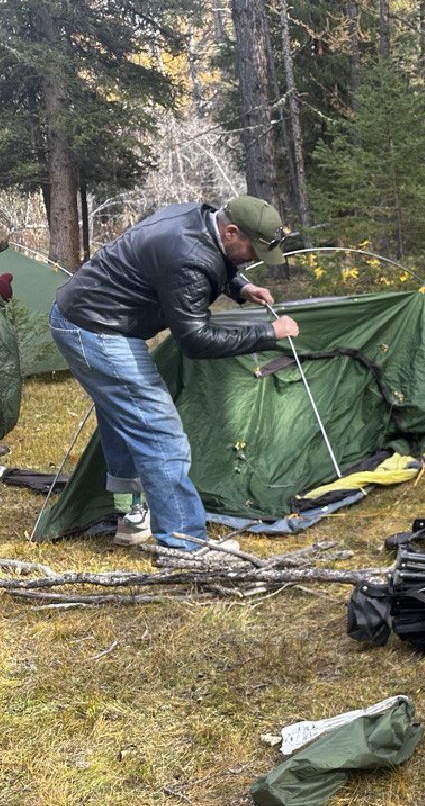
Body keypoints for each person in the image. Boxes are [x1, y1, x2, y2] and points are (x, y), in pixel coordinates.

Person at [48, 196, 299, 558]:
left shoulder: (200, 218)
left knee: (123, 417)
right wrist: (269, 333)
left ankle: (133, 515)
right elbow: (196, 340)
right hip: (95, 327)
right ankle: (185, 544)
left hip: (88, 315)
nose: (253, 258)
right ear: (231, 231)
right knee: (158, 429)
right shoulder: (187, 255)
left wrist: (239, 286)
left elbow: (214, 260)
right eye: (253, 249)